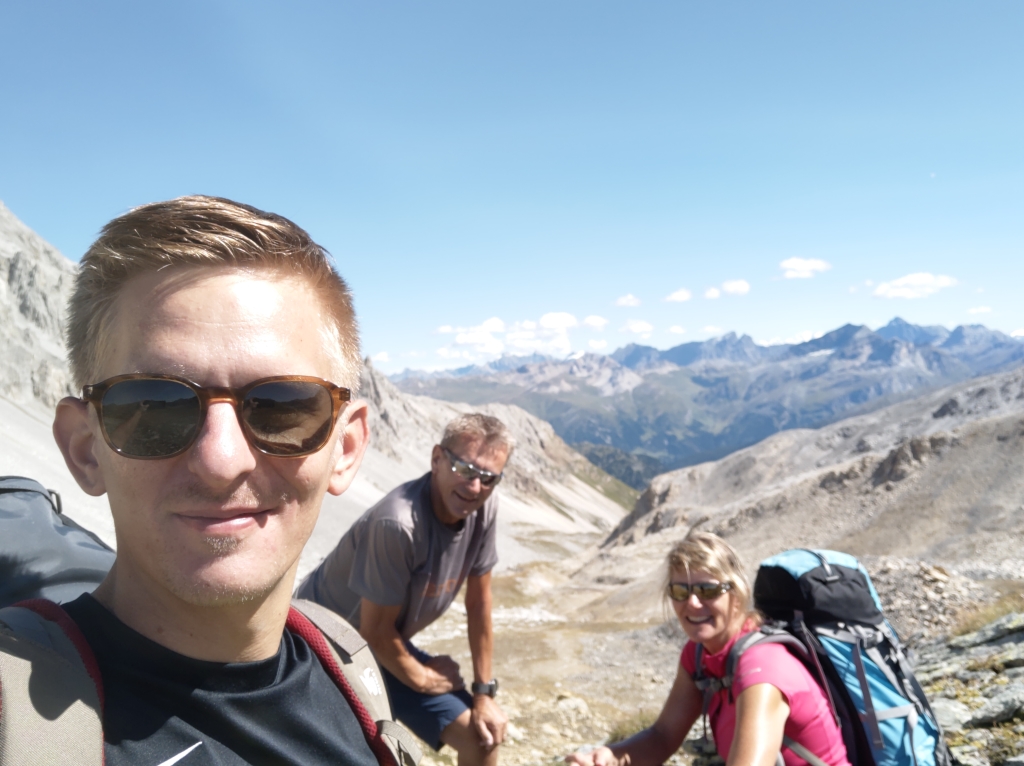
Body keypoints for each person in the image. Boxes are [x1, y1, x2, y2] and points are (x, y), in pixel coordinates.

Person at [44, 195, 384, 764]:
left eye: (281, 406)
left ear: (344, 449)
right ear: (85, 451)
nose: (221, 461)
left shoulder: (352, 675)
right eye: (154, 406)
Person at [298, 413, 513, 766]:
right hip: (322, 648)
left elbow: (479, 605)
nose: (476, 487)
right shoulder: (398, 523)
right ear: (437, 459)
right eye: (465, 469)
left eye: (489, 478)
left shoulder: (482, 510)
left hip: (380, 646)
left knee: (482, 738)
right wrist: (424, 679)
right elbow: (375, 631)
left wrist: (483, 694)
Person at [565, 531, 852, 766]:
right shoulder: (698, 654)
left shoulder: (764, 668)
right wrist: (610, 756)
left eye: (708, 590)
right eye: (680, 591)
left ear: (736, 593)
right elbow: (663, 735)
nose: (692, 603)